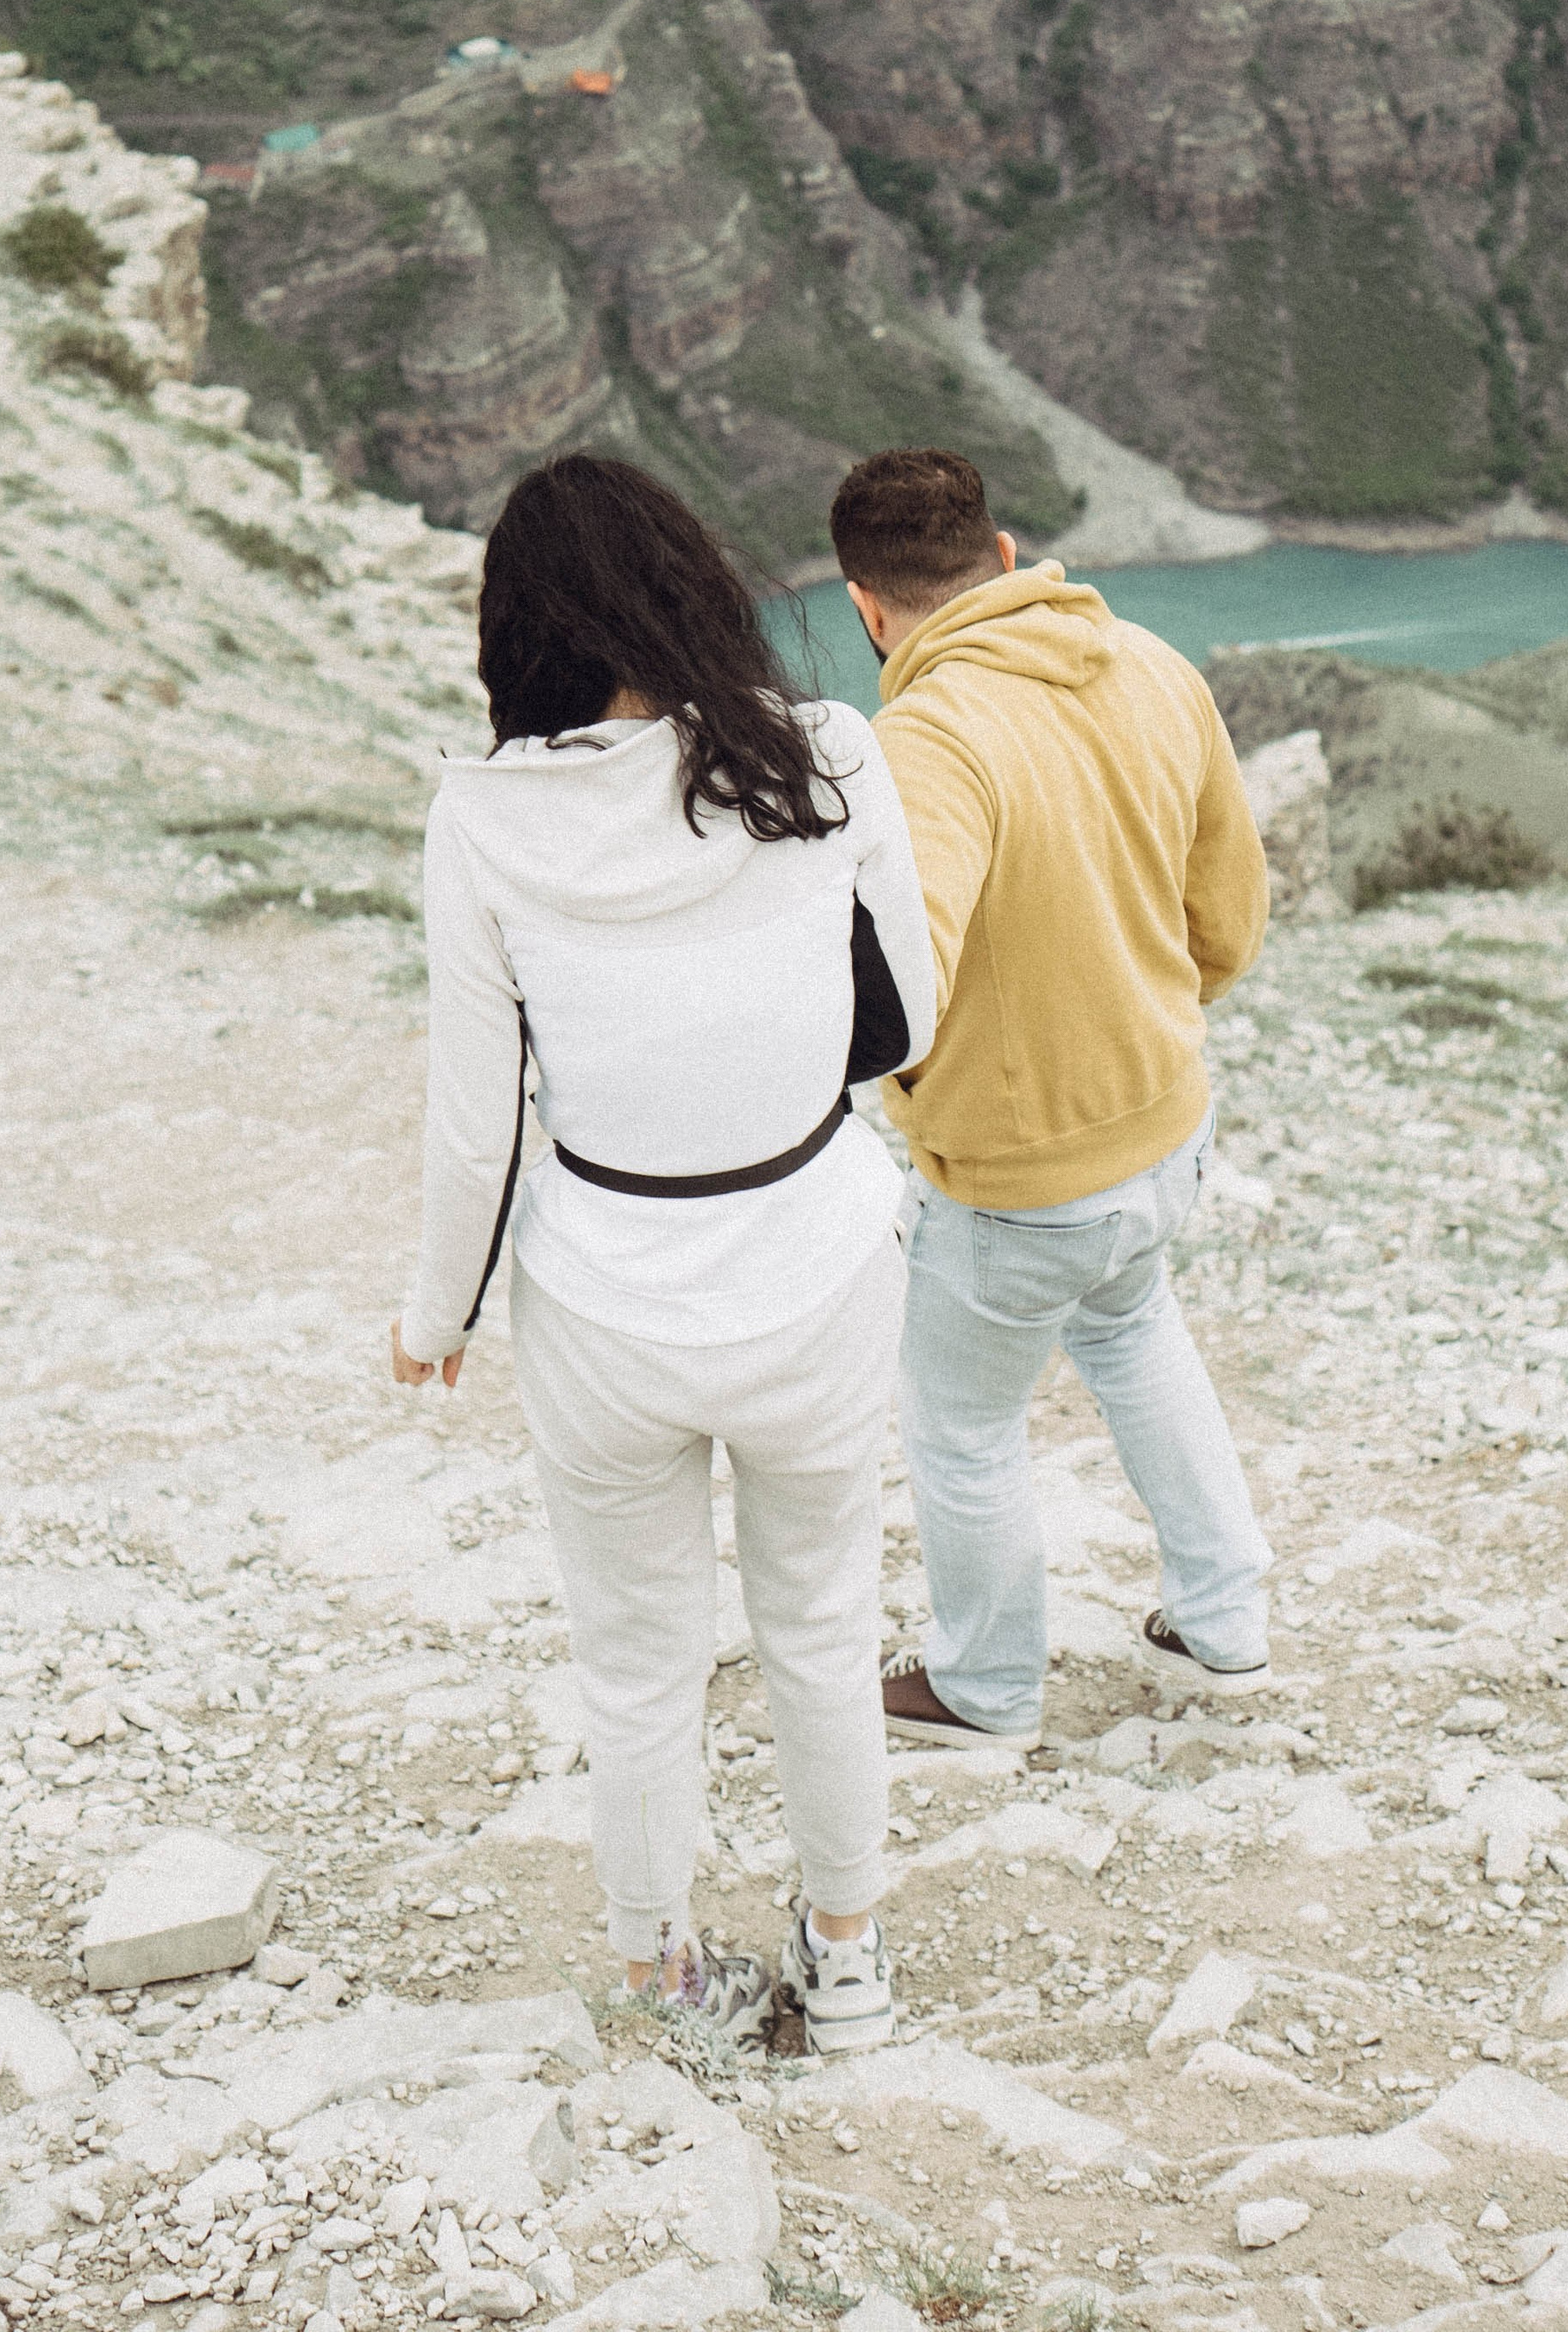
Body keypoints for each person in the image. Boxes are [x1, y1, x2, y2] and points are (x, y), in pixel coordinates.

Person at [390, 453, 936, 2053]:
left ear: (519, 638)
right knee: (823, 1635)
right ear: (690, 587)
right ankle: (845, 1968)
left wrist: (436, 1313)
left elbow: (471, 1119)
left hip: (604, 1294)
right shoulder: (825, 756)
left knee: (635, 1667)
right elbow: (905, 1023)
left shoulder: (481, 820)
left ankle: (662, 1980)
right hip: (816, 1261)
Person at [827, 446, 1274, 1751]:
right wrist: (1142, 1025)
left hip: (1020, 1180)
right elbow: (1229, 919)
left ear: (867, 606)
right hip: (1166, 1127)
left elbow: (909, 969)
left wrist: (915, 1090)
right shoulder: (1152, 665)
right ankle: (1223, 1624)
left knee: (961, 1428)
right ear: (1007, 555)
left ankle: (984, 1688)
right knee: (1137, 1339)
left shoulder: (930, 736)